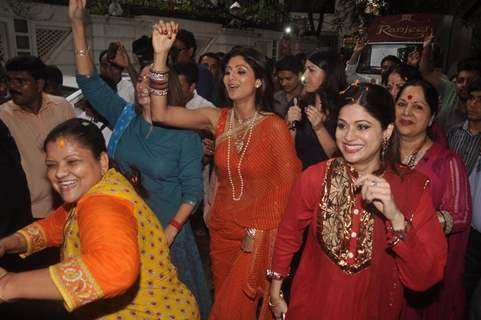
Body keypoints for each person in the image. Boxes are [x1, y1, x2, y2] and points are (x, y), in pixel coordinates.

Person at [149, 21, 302, 320]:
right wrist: (160, 57)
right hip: (221, 233)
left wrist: (258, 230)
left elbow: (288, 189)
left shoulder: (274, 126)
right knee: (224, 302)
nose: (231, 77)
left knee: (235, 311)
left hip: (255, 235)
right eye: (229, 71)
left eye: (241, 71)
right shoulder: (216, 118)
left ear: (259, 81)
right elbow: (160, 113)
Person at [68, 1, 211, 318]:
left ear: (166, 86)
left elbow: (193, 193)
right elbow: (88, 82)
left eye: (153, 79)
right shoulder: (124, 119)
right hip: (125, 228)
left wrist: (170, 232)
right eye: (141, 79)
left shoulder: (184, 133)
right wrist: (78, 24)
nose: (144, 84)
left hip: (167, 235)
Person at [268, 83, 447, 320]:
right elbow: (289, 234)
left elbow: (425, 278)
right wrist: (275, 289)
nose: (349, 137)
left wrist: (395, 216)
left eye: (362, 127)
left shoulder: (411, 188)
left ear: (387, 131)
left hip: (373, 308)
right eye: (342, 126)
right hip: (313, 306)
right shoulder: (314, 177)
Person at [0, 118, 200, 319]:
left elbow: (114, 268)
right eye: (52, 165)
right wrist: (6, 244)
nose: (59, 173)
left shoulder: (102, 204)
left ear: (102, 161)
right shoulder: (101, 185)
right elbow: (54, 226)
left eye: (72, 161)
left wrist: (8, 285)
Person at [394, 79, 471, 320]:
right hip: (386, 265)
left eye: (417, 107)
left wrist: (416, 223)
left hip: (423, 265)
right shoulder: (379, 154)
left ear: (431, 118)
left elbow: (460, 216)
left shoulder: (447, 162)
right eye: (401, 104)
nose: (406, 112)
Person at [0, 55, 75, 218]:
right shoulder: (2, 117)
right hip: (28, 214)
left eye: (21, 81)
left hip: (68, 206)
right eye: (9, 80)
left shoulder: (61, 106)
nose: (12, 86)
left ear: (39, 84)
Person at [447, 78, 481, 318]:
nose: (474, 104)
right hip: (452, 216)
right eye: (471, 98)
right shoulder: (453, 133)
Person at [287, 50, 345, 169]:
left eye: (312, 70)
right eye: (305, 70)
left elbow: (339, 158)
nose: (305, 76)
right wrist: (290, 124)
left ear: (329, 74)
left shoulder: (344, 109)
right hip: (303, 177)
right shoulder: (298, 104)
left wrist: (319, 128)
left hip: (331, 180)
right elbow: (287, 153)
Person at [171, 28, 214, 102]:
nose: (174, 54)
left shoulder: (202, 73)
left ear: (190, 51)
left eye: (178, 50)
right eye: (172, 50)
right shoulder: (169, 70)